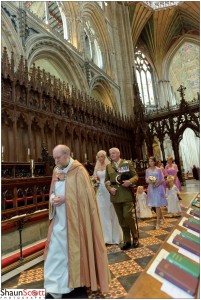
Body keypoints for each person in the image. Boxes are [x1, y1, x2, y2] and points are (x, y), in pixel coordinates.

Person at [43, 145, 110, 299]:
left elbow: (86, 199)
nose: (56, 161)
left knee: (70, 254)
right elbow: (53, 190)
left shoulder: (79, 171)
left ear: (67, 155)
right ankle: (55, 287)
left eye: (58, 157)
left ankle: (73, 283)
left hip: (76, 224)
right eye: (54, 158)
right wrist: (53, 199)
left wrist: (66, 199)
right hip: (59, 220)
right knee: (55, 253)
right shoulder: (56, 170)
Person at [105, 147, 139, 251]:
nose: (112, 155)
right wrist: (110, 188)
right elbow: (106, 181)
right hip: (115, 196)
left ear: (119, 154)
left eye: (114, 153)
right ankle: (127, 240)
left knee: (127, 215)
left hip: (126, 194)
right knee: (121, 220)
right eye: (110, 153)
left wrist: (130, 182)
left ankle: (135, 235)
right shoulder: (108, 167)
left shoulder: (126, 163)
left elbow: (136, 176)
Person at [93, 150, 123, 244]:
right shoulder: (97, 167)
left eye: (101, 156)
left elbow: (115, 176)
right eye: (98, 157)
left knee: (112, 212)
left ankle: (115, 237)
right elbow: (95, 178)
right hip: (100, 192)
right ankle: (105, 237)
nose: (100, 158)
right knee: (102, 213)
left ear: (105, 157)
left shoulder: (109, 166)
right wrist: (94, 182)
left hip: (109, 190)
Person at [145, 156, 167, 230]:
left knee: (157, 205)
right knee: (155, 205)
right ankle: (162, 218)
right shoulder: (147, 170)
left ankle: (157, 223)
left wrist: (156, 184)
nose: (150, 163)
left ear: (154, 162)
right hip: (151, 188)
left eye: (152, 161)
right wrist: (151, 182)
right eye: (149, 161)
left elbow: (162, 179)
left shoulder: (158, 170)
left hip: (158, 188)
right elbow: (146, 179)